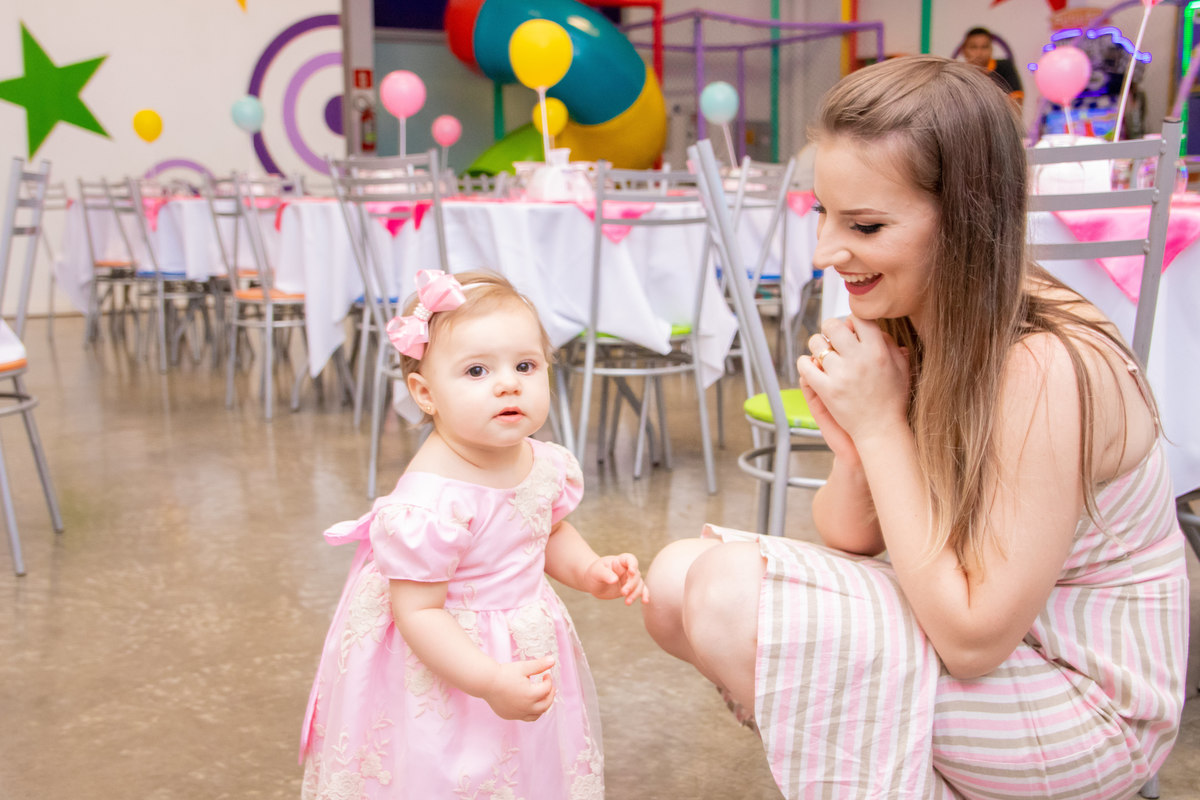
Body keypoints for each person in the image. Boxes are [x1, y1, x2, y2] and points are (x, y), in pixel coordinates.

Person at [643, 56, 1188, 798]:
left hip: (1086, 706)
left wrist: (880, 428)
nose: (828, 253)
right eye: (824, 214)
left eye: (865, 224)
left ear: (966, 217)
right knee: (675, 580)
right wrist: (860, 441)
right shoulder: (913, 311)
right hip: (998, 650)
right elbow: (852, 535)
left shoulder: (1042, 363)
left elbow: (970, 641)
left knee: (728, 598)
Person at [299, 269, 649, 799]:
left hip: (519, 646)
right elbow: (417, 612)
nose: (508, 383)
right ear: (425, 392)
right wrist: (488, 680)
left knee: (529, 766)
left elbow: (545, 530)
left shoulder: (542, 462)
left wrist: (589, 570)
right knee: (453, 772)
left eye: (525, 366)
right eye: (477, 370)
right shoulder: (431, 503)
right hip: (450, 657)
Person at [961, 26, 1025, 108]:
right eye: (974, 47)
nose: (979, 52)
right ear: (964, 50)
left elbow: (1017, 103)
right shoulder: (960, 74)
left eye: (984, 47)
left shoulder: (1005, 67)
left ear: (991, 49)